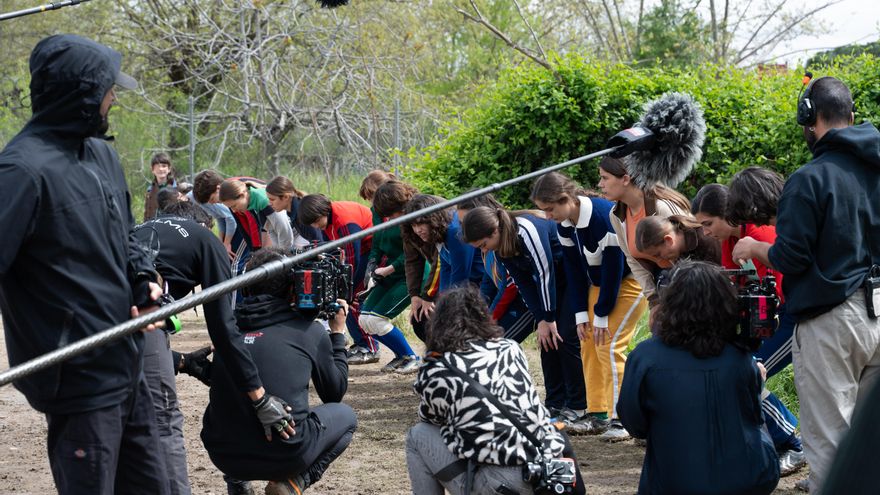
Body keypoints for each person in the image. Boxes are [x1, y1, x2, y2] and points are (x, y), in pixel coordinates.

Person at [0, 34, 170, 494]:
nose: (114, 98)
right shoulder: (21, 171)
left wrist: (141, 279)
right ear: (81, 92)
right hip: (75, 374)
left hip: (125, 358)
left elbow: (125, 237)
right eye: (107, 90)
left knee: (155, 485)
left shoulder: (101, 153)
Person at [731, 76, 880, 492]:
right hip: (879, 311)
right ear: (852, 116)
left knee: (831, 443)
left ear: (808, 119)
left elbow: (790, 257)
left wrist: (756, 249)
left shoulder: (809, 178)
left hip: (833, 319)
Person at [134, 201, 289, 495]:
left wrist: (183, 362)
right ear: (205, 225)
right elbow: (223, 328)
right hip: (137, 316)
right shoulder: (205, 238)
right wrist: (258, 396)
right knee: (162, 423)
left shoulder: (139, 229)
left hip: (90, 321)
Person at [201, 247, 357, 495]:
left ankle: (237, 482)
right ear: (293, 286)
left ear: (245, 286)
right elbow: (333, 393)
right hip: (286, 453)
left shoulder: (227, 331)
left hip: (223, 454)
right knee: (346, 416)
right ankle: (296, 482)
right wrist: (337, 334)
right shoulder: (309, 331)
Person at [617, 260, 780, 495]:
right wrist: (757, 382)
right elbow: (752, 419)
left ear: (670, 303)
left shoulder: (644, 357)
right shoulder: (740, 358)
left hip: (672, 483)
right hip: (745, 481)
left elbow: (635, 425)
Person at [408, 286, 585, 495]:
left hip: (500, 482)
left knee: (417, 435)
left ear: (437, 325)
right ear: (484, 317)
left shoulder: (436, 368)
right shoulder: (511, 348)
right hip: (546, 471)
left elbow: (430, 419)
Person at [692, 183, 806, 476]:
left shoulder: (759, 235)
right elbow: (736, 291)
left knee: (746, 376)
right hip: (764, 317)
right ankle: (772, 443)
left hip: (791, 317)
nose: (705, 232)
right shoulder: (731, 239)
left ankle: (794, 444)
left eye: (708, 224)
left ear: (727, 215)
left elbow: (783, 292)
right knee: (734, 372)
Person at [531, 171, 647, 440]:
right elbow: (573, 270)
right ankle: (597, 414)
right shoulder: (565, 225)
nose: (548, 217)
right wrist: (581, 314)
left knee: (609, 344)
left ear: (566, 199)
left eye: (550, 209)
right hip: (597, 285)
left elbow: (614, 269)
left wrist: (602, 315)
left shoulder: (602, 216)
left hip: (627, 283)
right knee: (587, 341)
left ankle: (623, 417)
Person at [461, 206, 586, 430]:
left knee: (565, 337)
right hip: (548, 286)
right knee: (547, 341)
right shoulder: (500, 247)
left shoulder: (526, 230)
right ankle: (554, 403)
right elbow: (524, 283)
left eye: (483, 245)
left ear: (494, 231)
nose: (484, 250)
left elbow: (545, 272)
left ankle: (577, 405)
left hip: (570, 279)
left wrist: (549, 317)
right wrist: (541, 319)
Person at [598, 156, 690, 316]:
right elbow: (631, 259)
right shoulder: (615, 215)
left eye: (605, 178)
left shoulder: (662, 208)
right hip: (663, 284)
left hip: (692, 283)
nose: (600, 184)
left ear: (625, 179)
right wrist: (653, 299)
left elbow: (696, 250)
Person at [298, 193, 379, 363]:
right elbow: (333, 250)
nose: (315, 227)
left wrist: (348, 289)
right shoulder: (328, 220)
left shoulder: (343, 221)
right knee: (343, 297)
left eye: (315, 222)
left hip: (371, 250)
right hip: (361, 251)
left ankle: (370, 347)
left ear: (322, 213)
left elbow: (352, 259)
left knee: (352, 298)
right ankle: (360, 342)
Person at [355, 175, 420, 373]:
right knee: (363, 318)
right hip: (390, 270)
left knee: (375, 318)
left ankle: (412, 356)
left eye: (373, 196)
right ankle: (400, 355)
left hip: (410, 272)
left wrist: (388, 269)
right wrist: (372, 265)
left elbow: (413, 253)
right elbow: (377, 241)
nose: (372, 203)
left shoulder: (408, 214)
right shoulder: (379, 212)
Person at [456, 194, 534, 344]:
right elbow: (488, 281)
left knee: (493, 343)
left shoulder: (500, 243)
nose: (463, 228)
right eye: (460, 223)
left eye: (465, 222)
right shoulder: (485, 244)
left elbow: (509, 288)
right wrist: (480, 313)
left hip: (525, 302)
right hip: (506, 301)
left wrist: (489, 319)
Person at [381, 191, 442, 342]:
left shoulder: (435, 217)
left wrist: (428, 296)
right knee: (419, 317)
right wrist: (414, 295)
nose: (417, 230)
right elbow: (412, 260)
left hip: (455, 278)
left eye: (391, 215)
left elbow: (439, 262)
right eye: (414, 225)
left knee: (434, 315)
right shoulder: (408, 227)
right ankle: (437, 353)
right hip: (440, 278)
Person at [220, 178, 294, 251]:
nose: (234, 211)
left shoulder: (264, 202)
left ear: (242, 195)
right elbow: (272, 231)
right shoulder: (253, 203)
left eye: (234, 206)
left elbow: (285, 233)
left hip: (296, 235)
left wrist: (283, 257)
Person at [633, 215, 721, 265]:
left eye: (658, 254)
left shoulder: (707, 242)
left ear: (668, 240)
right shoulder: (679, 253)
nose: (659, 260)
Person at [265, 175, 323, 249]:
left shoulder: (303, 213)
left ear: (286, 197)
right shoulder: (292, 211)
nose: (269, 203)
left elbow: (319, 242)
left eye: (272, 199)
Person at [144, 152, 178, 221]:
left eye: (164, 166)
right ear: (152, 170)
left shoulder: (177, 189)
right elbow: (147, 214)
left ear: (169, 169)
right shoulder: (150, 191)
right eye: (157, 166)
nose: (161, 169)